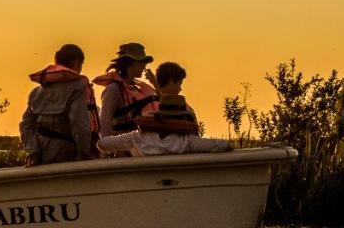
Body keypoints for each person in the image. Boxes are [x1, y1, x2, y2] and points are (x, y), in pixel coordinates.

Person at [98, 62, 230, 156]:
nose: (180, 88)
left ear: (159, 114)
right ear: (181, 117)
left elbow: (102, 144)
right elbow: (222, 145)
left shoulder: (137, 139)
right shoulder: (187, 142)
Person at [19, 43, 99, 165]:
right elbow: (79, 124)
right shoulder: (78, 88)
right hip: (67, 155)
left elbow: (25, 126)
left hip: (42, 156)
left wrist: (34, 152)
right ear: (76, 63)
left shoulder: (36, 93)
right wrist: (84, 153)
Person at [94, 42, 159, 137]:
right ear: (131, 63)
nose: (144, 66)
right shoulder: (113, 89)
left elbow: (163, 105)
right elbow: (105, 124)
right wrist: (111, 149)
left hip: (141, 146)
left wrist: (156, 85)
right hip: (123, 146)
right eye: (142, 62)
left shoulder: (137, 88)